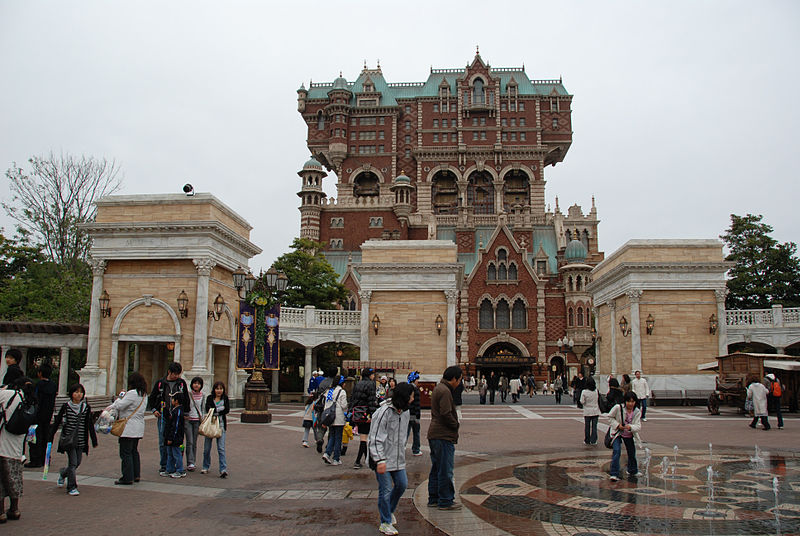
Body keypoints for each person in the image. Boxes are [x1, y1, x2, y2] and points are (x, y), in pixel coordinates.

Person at [369, 382, 414, 536]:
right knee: (386, 489)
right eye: (411, 396)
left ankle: (389, 510)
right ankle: (385, 522)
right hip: (382, 458)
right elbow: (374, 438)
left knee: (402, 484)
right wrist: (379, 460)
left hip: (397, 458)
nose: (413, 399)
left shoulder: (405, 411)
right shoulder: (383, 412)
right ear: (405, 397)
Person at [50, 383, 99, 495]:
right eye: (76, 392)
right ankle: (71, 487)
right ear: (71, 394)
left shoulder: (86, 407)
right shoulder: (66, 406)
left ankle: (63, 473)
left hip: (81, 439)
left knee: (77, 463)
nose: (79, 394)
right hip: (69, 439)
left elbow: (89, 424)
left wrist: (94, 440)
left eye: (80, 392)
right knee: (73, 463)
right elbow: (57, 422)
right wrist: (50, 436)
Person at [427, 365, 462, 510]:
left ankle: (434, 498)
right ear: (454, 378)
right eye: (459, 379)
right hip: (443, 434)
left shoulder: (439, 388)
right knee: (445, 469)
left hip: (435, 434)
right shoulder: (445, 391)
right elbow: (446, 413)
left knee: (436, 468)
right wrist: (455, 425)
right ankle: (446, 500)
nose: (459, 383)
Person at [0, 377, 34, 521]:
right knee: (15, 477)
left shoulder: (8, 394)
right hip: (18, 446)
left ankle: (0, 512)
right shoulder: (30, 400)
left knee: (1, 479)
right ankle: (14, 510)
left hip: (3, 443)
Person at [148, 362, 189, 475]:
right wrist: (154, 410)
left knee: (176, 441)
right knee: (163, 441)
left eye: (178, 374)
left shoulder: (181, 383)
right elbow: (152, 398)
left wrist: (185, 412)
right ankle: (164, 465)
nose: (176, 376)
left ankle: (176, 465)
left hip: (177, 417)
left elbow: (186, 398)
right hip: (163, 416)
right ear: (169, 372)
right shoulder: (161, 383)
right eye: (174, 374)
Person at [108, 372, 147, 485]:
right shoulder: (144, 394)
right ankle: (136, 474)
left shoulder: (132, 393)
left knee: (125, 452)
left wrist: (119, 398)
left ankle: (127, 477)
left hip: (128, 427)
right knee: (134, 451)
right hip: (138, 426)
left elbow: (120, 406)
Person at [25, 363, 57, 468]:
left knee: (34, 438)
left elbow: (35, 400)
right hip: (48, 416)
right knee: (45, 438)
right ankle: (45, 459)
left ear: (40, 373)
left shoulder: (38, 385)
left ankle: (35, 460)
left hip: (37, 417)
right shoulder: (53, 385)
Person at [607, 391, 642, 481]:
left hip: (629, 433)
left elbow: (638, 426)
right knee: (617, 451)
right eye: (628, 401)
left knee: (631, 452)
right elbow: (610, 417)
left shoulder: (637, 411)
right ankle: (614, 473)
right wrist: (618, 425)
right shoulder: (618, 408)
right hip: (617, 432)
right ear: (625, 401)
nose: (630, 404)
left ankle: (632, 470)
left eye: (633, 401)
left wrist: (630, 427)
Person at [350, 368, 379, 469]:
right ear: (370, 375)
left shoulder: (358, 383)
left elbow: (353, 398)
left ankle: (367, 459)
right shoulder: (371, 384)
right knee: (365, 438)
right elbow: (371, 401)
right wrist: (372, 414)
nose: (373, 376)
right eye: (372, 374)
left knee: (363, 437)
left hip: (358, 413)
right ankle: (358, 461)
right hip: (366, 413)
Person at [202, 381, 229, 477]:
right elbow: (208, 408)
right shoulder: (210, 398)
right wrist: (219, 409)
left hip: (221, 426)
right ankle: (205, 466)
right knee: (207, 448)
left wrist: (216, 410)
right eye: (217, 388)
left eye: (221, 389)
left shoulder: (225, 398)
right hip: (210, 425)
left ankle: (223, 469)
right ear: (214, 389)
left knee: (221, 448)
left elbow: (227, 409)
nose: (219, 390)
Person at [321, 375, 348, 466]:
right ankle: (336, 458)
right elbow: (344, 406)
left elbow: (326, 405)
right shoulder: (342, 392)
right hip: (339, 418)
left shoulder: (329, 391)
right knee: (338, 438)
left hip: (330, 418)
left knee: (332, 436)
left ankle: (327, 453)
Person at [184, 377, 204, 471]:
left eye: (198, 383)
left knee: (194, 442)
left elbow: (202, 408)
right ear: (192, 384)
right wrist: (185, 414)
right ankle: (190, 462)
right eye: (195, 383)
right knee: (189, 441)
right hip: (188, 420)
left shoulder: (202, 395)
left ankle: (193, 461)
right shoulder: (188, 394)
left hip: (197, 420)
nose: (196, 385)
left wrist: (202, 419)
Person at [164, 392, 186, 478]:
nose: (172, 400)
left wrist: (171, 437)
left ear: (176, 401)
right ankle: (170, 469)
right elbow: (170, 420)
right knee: (170, 453)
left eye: (173, 399)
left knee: (177, 454)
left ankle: (180, 470)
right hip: (171, 436)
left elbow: (176, 426)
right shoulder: (175, 410)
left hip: (175, 437)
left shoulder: (179, 411)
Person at [580, 377, 600, 445]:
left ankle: (587, 440)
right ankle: (594, 440)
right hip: (595, 410)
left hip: (587, 411)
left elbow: (582, 401)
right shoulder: (596, 391)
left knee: (587, 426)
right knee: (594, 426)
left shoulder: (584, 392)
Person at [406, 371, 422, 456]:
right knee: (416, 433)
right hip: (414, 414)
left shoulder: (407, 388)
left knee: (406, 432)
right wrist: (418, 415)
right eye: (417, 379)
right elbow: (417, 404)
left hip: (407, 413)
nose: (418, 381)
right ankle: (416, 449)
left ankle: (401, 447)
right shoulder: (415, 389)